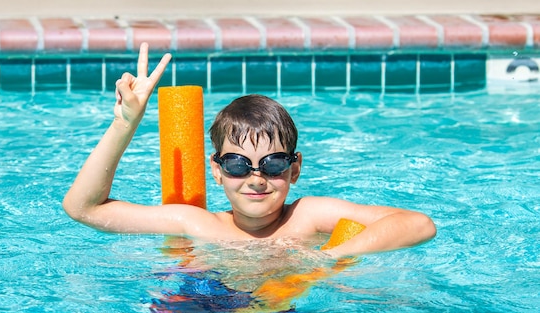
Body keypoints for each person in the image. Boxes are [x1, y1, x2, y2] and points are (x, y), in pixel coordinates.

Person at [63, 43, 436, 259]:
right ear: (217, 168)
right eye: (238, 165)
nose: (256, 179)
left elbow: (418, 223)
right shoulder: (197, 224)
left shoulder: (306, 218)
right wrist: (124, 124)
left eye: (273, 164)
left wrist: (325, 259)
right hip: (200, 308)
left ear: (294, 168)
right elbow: (83, 209)